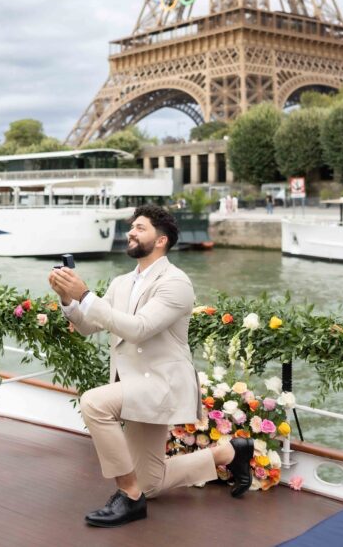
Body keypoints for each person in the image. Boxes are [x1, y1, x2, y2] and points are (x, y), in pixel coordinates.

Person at [48, 205, 253, 528]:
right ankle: (227, 454)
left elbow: (138, 328)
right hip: (133, 384)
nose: (131, 232)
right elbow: (89, 326)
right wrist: (68, 300)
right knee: (152, 484)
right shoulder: (121, 283)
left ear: (161, 240)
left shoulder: (177, 283)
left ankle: (129, 497)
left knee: (93, 402)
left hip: (161, 385)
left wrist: (85, 294)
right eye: (132, 227)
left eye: (140, 228)